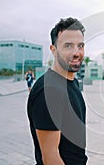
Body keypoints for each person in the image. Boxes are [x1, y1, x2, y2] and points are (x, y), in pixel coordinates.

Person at [27, 17, 87, 165]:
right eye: (68, 46)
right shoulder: (50, 91)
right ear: (53, 50)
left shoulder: (71, 82)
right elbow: (50, 157)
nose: (76, 52)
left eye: (80, 46)